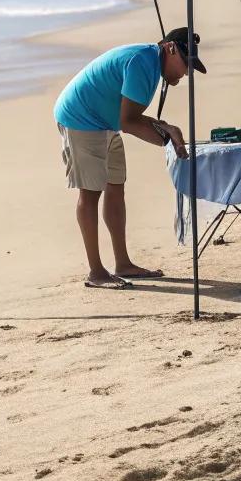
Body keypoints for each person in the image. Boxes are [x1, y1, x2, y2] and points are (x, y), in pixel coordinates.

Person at [54, 27, 206, 289]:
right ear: (170, 48)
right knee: (90, 193)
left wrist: (167, 130)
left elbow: (131, 118)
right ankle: (96, 272)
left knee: (116, 186)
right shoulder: (143, 64)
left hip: (106, 121)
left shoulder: (151, 63)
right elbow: (130, 122)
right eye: (185, 64)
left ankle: (123, 263)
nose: (186, 72)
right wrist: (167, 138)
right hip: (81, 118)